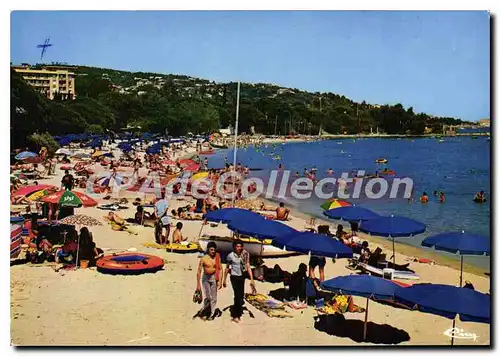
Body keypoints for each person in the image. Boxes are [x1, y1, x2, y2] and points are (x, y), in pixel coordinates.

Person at [223, 241, 255, 323]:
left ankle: (238, 306)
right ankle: (236, 315)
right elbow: (227, 268)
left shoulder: (245, 254)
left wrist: (252, 280)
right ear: (234, 247)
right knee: (237, 295)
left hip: (242, 277)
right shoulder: (230, 256)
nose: (239, 248)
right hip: (234, 277)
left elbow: (248, 266)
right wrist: (224, 280)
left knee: (241, 295)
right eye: (237, 246)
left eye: (240, 246)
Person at [196, 242, 222, 320]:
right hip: (205, 278)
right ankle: (205, 308)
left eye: (214, 250)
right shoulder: (203, 259)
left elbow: (220, 269)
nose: (213, 251)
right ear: (208, 250)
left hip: (213, 277)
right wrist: (198, 284)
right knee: (207, 296)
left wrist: (220, 281)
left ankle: (212, 313)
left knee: (213, 297)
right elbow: (199, 271)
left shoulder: (217, 257)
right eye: (211, 250)